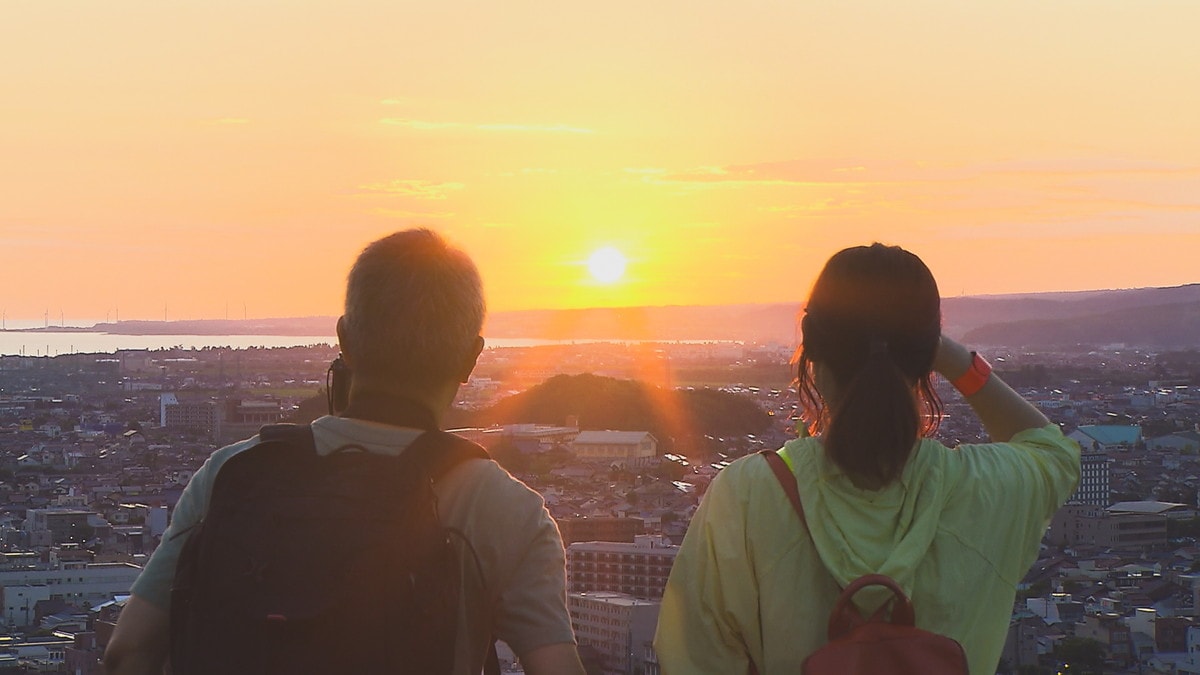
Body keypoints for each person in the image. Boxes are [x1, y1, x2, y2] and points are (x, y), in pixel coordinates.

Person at [105, 229, 586, 675]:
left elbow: (128, 652)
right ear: (471, 357)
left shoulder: (232, 473)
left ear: (344, 340)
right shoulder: (506, 509)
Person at [653, 243, 1080, 674]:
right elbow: (1052, 452)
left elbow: (695, 659)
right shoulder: (988, 489)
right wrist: (951, 357)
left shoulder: (746, 495)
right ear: (924, 354)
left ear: (813, 350)